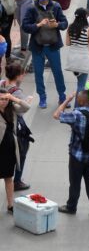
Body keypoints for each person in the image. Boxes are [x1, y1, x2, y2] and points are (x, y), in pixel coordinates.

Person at [54, 82, 89, 219]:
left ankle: (71, 206)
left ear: (82, 101)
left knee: (75, 182)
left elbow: (57, 115)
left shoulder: (76, 115)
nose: (78, 96)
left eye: (80, 95)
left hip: (78, 156)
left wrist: (66, 100)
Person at [21, 0, 68, 109]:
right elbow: (25, 26)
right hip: (38, 46)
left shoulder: (56, 6)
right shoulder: (31, 8)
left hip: (53, 45)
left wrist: (57, 25)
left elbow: (65, 24)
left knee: (57, 71)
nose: (45, 0)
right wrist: (38, 25)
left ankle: (62, 96)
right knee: (38, 73)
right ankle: (42, 97)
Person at [0, 83, 31, 214]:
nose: (4, 102)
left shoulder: (11, 108)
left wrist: (14, 98)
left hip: (10, 148)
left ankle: (10, 204)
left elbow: (26, 107)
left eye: (6, 99)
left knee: (8, 177)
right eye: (1, 99)